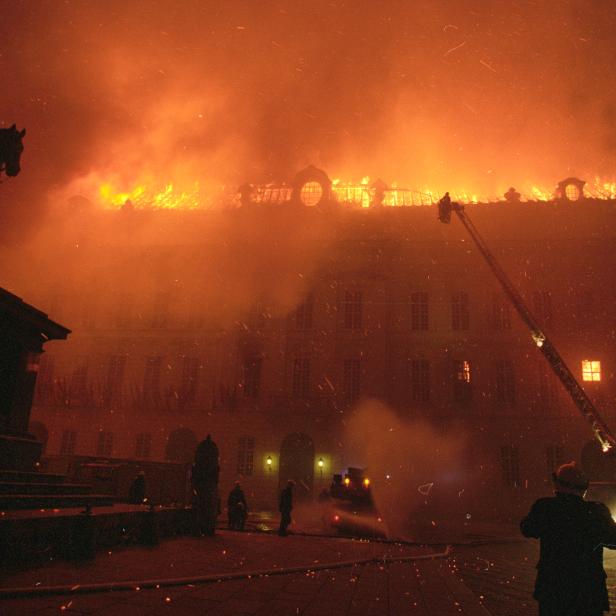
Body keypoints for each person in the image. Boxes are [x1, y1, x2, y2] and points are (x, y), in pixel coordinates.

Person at [521, 461, 616, 616]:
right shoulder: (596, 512)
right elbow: (613, 541)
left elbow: (527, 529)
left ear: (558, 484)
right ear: (584, 488)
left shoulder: (545, 507)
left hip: (553, 587)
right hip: (588, 588)